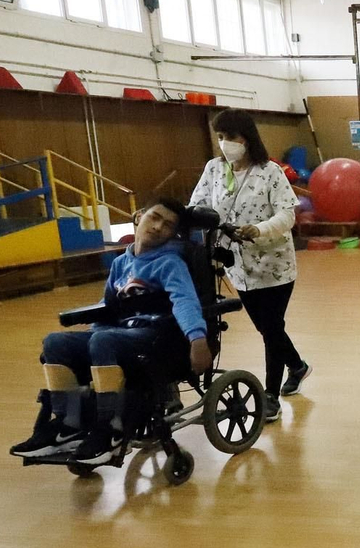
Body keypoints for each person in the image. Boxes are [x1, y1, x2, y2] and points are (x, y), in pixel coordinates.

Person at [11, 198, 211, 465]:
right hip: (121, 336)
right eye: (155, 217)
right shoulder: (121, 264)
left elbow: (185, 301)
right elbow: (109, 309)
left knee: (104, 340)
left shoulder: (170, 263)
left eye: (167, 225)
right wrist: (90, 347)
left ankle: (111, 429)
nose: (157, 227)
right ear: (139, 216)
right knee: (56, 343)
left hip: (158, 338)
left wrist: (197, 338)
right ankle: (68, 425)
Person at [190, 109, 306, 419]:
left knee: (271, 328)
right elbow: (197, 206)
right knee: (267, 327)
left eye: (230, 137)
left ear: (247, 138)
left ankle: (270, 395)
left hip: (274, 265)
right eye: (220, 137)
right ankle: (297, 365)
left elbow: (287, 215)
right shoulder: (214, 169)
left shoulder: (270, 172)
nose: (225, 143)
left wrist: (260, 229)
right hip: (237, 267)